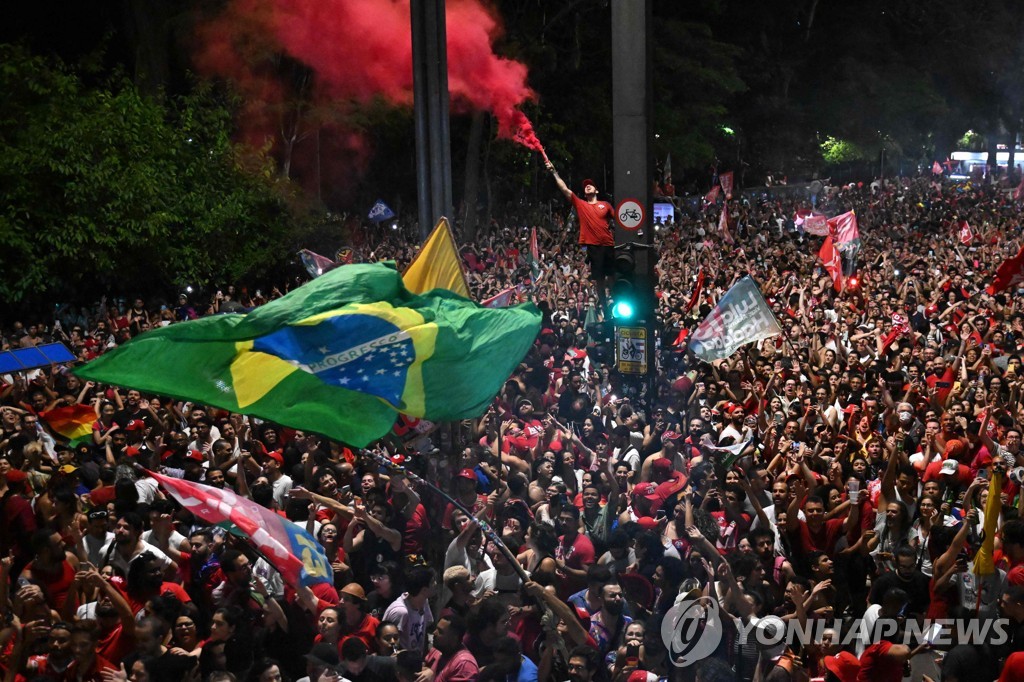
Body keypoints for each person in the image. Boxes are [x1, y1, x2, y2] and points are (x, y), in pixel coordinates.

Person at [545, 160, 615, 294]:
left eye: (591, 185)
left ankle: (615, 299)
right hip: (594, 246)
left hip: (608, 244)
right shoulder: (581, 204)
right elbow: (564, 189)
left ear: (596, 190)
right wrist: (554, 172)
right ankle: (604, 305)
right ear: (584, 193)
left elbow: (619, 219)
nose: (588, 186)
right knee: (599, 278)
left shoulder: (605, 205)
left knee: (611, 275)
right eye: (586, 186)